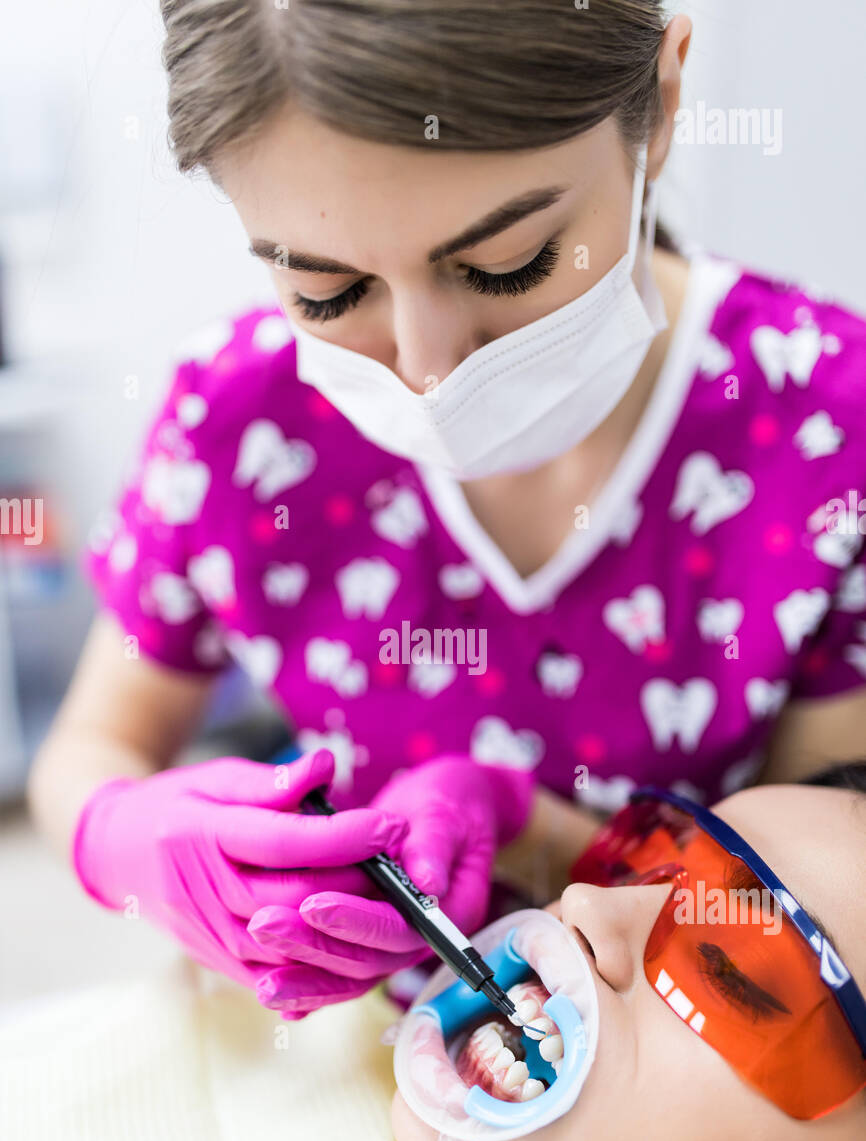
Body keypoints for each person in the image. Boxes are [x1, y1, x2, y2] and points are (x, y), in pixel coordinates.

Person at [29, 2, 866, 1020]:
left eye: (509, 263)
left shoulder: (828, 429)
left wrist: (528, 830)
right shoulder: (238, 423)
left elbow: (808, 957)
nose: (430, 373)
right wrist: (121, 836)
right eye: (328, 292)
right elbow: (92, 747)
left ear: (660, 95)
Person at [392, 763, 866, 1141]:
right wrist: (519, 825)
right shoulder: (324, 1048)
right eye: (646, 864)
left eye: (733, 972)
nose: (586, 901)